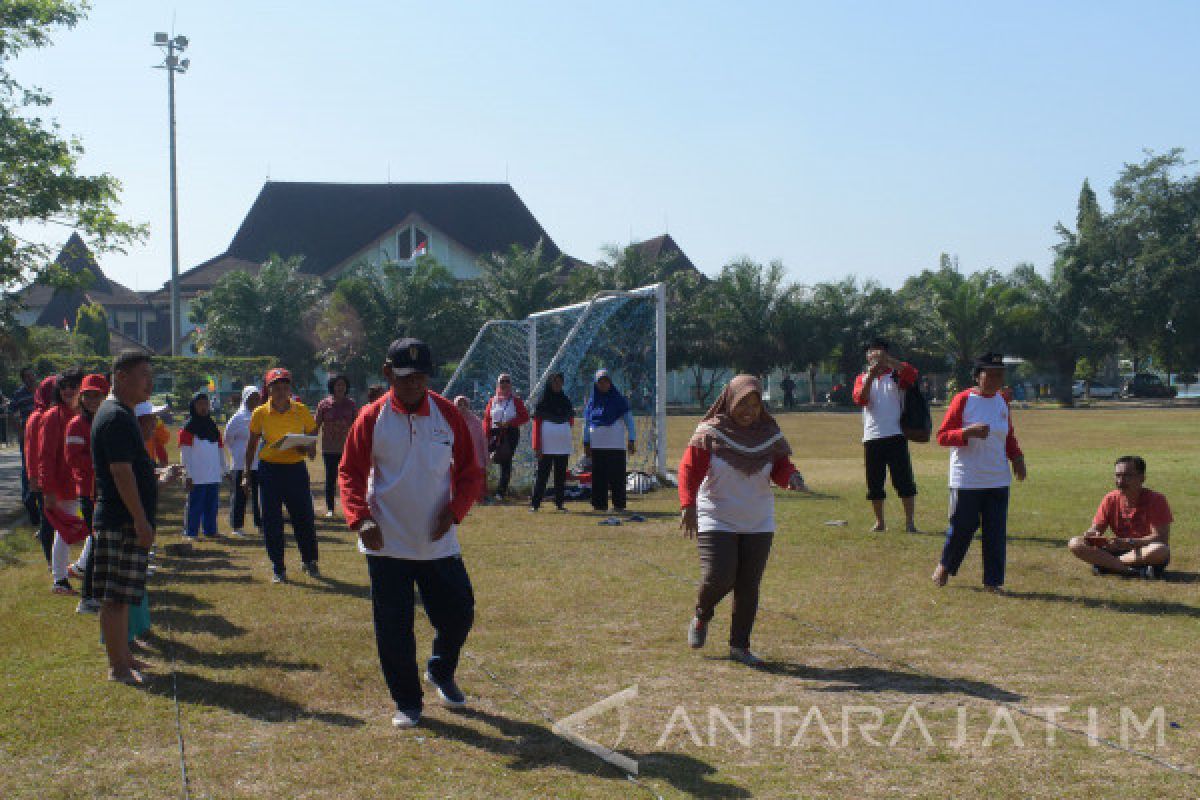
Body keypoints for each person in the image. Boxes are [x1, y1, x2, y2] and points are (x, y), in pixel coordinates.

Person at [338, 338, 484, 728]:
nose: (413, 384)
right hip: (385, 542)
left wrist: (454, 512)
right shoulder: (371, 418)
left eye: (421, 377)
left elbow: (471, 473)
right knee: (394, 627)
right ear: (387, 374)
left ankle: (440, 669)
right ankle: (407, 702)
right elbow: (349, 473)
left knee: (459, 613)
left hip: (437, 540)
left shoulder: (448, 415)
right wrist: (360, 518)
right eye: (404, 377)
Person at [679, 375, 810, 667]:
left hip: (758, 520)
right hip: (717, 516)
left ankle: (740, 646)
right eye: (742, 404)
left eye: (755, 404)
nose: (749, 411)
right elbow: (689, 470)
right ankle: (702, 614)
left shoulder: (768, 432)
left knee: (748, 585)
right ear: (729, 401)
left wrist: (792, 477)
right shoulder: (710, 433)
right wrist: (687, 505)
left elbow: (780, 466)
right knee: (720, 576)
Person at [931, 353, 1027, 592]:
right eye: (990, 374)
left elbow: (1008, 435)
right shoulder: (963, 399)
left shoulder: (1002, 401)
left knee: (995, 532)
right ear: (977, 376)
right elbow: (942, 436)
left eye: (1000, 374)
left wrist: (1017, 457)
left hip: (997, 479)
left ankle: (993, 582)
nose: (996, 379)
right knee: (963, 527)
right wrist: (967, 432)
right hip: (967, 479)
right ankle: (945, 565)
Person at [92, 350, 159, 685]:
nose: (150, 381)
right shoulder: (116, 416)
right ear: (120, 376)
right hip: (121, 520)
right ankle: (117, 667)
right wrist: (140, 519)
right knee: (115, 597)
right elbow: (120, 473)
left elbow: (133, 468)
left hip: (125, 519)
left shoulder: (122, 414)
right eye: (143, 374)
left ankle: (125, 657)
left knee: (122, 596)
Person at [243, 367, 319, 583]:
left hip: (295, 470)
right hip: (270, 471)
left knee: (303, 517)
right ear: (268, 389)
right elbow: (251, 447)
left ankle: (310, 561)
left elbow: (312, 436)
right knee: (272, 521)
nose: (281, 391)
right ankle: (278, 567)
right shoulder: (260, 413)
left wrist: (308, 447)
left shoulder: (301, 410)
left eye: (285, 387)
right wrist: (246, 475)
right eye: (276, 387)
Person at [852, 338, 920, 533]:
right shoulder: (862, 377)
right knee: (874, 482)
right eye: (871, 352)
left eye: (879, 352)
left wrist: (889, 361)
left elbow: (912, 375)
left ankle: (910, 522)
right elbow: (861, 400)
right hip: (872, 436)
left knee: (904, 481)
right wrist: (871, 376)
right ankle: (880, 522)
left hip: (896, 434)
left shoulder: (896, 375)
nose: (874, 355)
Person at [1067, 456, 1171, 579]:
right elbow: (1097, 528)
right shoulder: (1110, 498)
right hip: (1116, 549)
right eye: (1118, 475)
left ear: (1142, 478)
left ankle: (1107, 565)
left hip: (1143, 550)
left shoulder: (1156, 499)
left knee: (1160, 550)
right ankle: (1132, 571)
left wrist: (1130, 542)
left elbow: (1161, 538)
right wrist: (1092, 533)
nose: (1121, 481)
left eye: (1127, 476)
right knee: (1075, 543)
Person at [65, 373, 110, 613]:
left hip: (106, 489)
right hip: (90, 491)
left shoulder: (106, 420)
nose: (92, 400)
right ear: (81, 398)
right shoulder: (77, 424)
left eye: (97, 395)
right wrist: (101, 462)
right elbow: (72, 458)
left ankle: (97, 593)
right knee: (96, 542)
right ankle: (87, 597)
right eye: (88, 395)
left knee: (102, 543)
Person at [38, 368, 84, 595]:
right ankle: (60, 579)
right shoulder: (52, 416)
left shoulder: (84, 413)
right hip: (62, 486)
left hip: (81, 483)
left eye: (73, 385)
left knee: (72, 532)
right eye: (63, 386)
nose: (67, 390)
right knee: (64, 533)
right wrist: (48, 489)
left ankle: (75, 570)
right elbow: (45, 456)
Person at [583, 369, 639, 525]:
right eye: (600, 382)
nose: (603, 384)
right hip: (597, 446)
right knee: (598, 476)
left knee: (617, 477)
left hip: (616, 446)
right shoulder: (592, 402)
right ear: (596, 384)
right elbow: (587, 424)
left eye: (606, 381)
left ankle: (619, 504)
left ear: (610, 382)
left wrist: (632, 439)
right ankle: (599, 504)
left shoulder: (619, 400)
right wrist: (586, 442)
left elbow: (629, 421)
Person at [178, 392, 227, 542]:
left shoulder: (213, 427)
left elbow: (220, 450)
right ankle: (191, 532)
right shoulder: (188, 428)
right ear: (193, 406)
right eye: (200, 404)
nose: (203, 407)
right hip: (196, 474)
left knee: (212, 505)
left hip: (212, 473)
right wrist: (187, 474)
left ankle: (210, 530)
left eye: (206, 404)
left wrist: (224, 469)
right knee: (195, 504)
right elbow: (185, 453)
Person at [24, 376, 56, 570]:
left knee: (53, 518)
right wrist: (34, 478)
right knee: (48, 521)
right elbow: (32, 452)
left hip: (48, 475)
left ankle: (55, 560)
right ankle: (51, 561)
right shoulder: (38, 417)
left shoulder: (49, 414)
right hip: (40, 478)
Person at [530, 372, 574, 512]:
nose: (557, 384)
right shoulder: (542, 402)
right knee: (542, 475)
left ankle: (559, 504)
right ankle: (535, 504)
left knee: (560, 476)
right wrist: (537, 446)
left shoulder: (566, 401)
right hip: (546, 447)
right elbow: (536, 426)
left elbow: (570, 421)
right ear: (550, 383)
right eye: (554, 382)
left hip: (563, 446)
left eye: (560, 382)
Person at [314, 374, 357, 518]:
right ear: (332, 387)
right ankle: (330, 508)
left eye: (343, 385)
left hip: (347, 449)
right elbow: (316, 426)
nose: (340, 388)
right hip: (329, 448)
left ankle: (349, 508)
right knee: (330, 478)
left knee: (348, 479)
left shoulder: (351, 404)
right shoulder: (324, 404)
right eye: (338, 385)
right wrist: (311, 444)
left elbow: (356, 427)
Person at [482, 373, 529, 501]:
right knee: (488, 460)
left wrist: (509, 423)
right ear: (498, 384)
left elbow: (525, 417)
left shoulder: (515, 400)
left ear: (510, 384)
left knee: (506, 462)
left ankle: (501, 492)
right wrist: (485, 435)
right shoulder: (493, 400)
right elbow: (487, 418)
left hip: (510, 433)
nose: (504, 384)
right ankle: (484, 489)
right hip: (494, 432)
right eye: (502, 381)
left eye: (507, 381)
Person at [225, 385, 262, 537]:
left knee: (259, 496)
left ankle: (260, 524)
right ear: (245, 399)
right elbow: (228, 439)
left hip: (259, 463)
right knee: (240, 495)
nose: (254, 401)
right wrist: (237, 451)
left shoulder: (261, 415)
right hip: (241, 463)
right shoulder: (237, 418)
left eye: (256, 398)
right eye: (251, 398)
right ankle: (237, 525)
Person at [10, 366, 40, 525]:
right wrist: (20, 431)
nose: (30, 378)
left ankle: (39, 501)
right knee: (27, 468)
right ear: (23, 379)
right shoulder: (18, 394)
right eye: (26, 376)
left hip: (42, 436)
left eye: (32, 375)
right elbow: (11, 413)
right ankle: (28, 500)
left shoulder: (41, 391)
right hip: (27, 437)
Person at [453, 396, 488, 503]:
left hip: (475, 454)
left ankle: (479, 497)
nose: (462, 407)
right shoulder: (452, 420)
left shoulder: (476, 421)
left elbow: (482, 440)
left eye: (465, 405)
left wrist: (485, 456)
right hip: (458, 454)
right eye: (459, 404)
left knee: (476, 476)